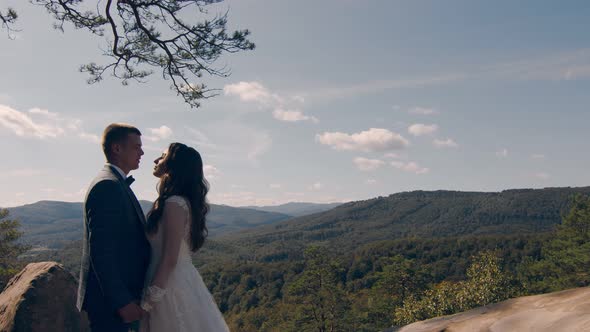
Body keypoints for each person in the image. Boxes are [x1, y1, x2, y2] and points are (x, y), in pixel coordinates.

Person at [140, 142, 229, 331]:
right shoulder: (179, 201)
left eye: (162, 156)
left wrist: (149, 302)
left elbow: (169, 259)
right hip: (177, 280)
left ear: (174, 165)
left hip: (168, 286)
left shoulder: (174, 203)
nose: (156, 160)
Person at [77, 123, 151, 332]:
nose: (142, 152)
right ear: (117, 149)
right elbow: (101, 252)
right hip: (109, 304)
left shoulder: (115, 182)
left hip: (116, 300)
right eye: (136, 147)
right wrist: (122, 301)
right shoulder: (107, 185)